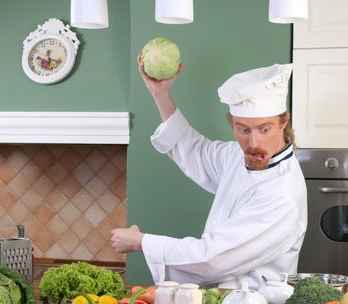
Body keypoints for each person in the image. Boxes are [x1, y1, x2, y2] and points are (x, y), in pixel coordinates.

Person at [110, 57, 307, 289]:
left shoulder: (281, 194)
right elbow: (196, 151)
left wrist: (142, 242)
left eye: (264, 129)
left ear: (284, 122)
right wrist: (160, 94)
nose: (253, 142)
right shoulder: (237, 155)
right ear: (232, 123)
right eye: (243, 129)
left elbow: (213, 260)